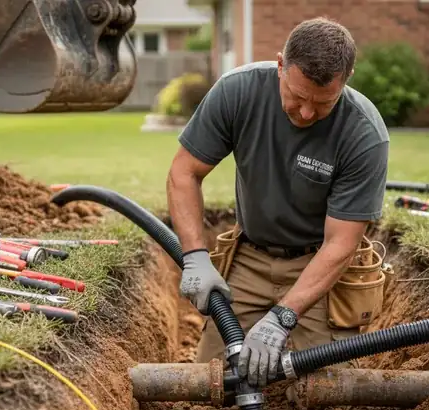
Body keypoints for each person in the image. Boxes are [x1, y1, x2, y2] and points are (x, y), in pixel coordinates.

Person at [165, 17, 390, 389]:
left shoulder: (363, 133)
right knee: (213, 385)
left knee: (326, 393)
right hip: (250, 259)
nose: (306, 113)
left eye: (323, 103)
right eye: (298, 97)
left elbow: (341, 243)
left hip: (319, 268)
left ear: (346, 81)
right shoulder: (238, 92)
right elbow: (184, 173)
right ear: (281, 64)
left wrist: (284, 316)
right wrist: (195, 257)